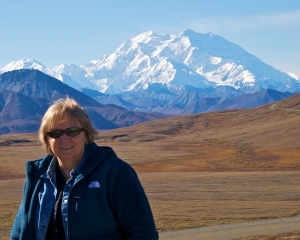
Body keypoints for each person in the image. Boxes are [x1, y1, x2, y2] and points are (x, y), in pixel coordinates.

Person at [10, 97, 158, 240]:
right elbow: (19, 232)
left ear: (86, 135)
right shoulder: (38, 178)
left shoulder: (114, 172)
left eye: (72, 131)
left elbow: (143, 232)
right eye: (56, 133)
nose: (64, 139)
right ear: (47, 140)